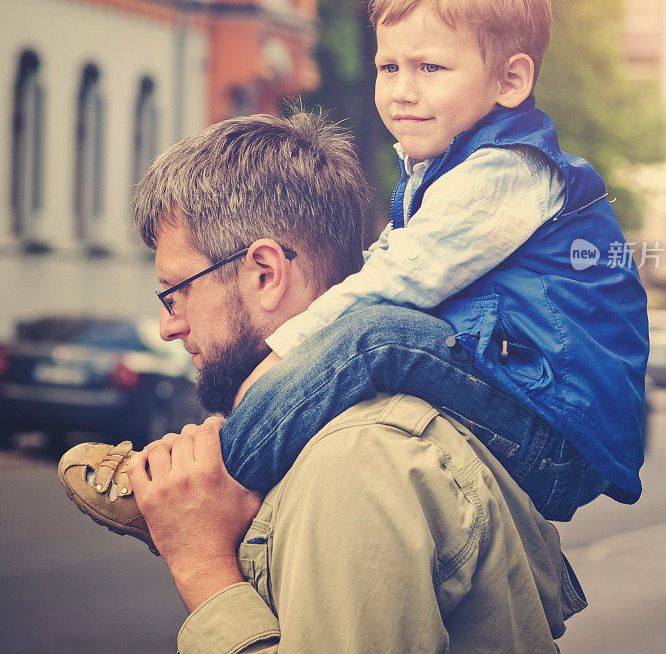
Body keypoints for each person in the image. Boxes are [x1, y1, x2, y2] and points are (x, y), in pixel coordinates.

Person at [62, 0, 648, 531]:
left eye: (431, 68)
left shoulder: (508, 172)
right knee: (354, 346)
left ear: (511, 80)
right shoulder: (449, 170)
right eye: (389, 67)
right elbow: (386, 263)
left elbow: (398, 283)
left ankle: (208, 488)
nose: (402, 90)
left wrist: (282, 353)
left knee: (373, 337)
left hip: (555, 438)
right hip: (525, 398)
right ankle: (225, 449)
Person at [60, 112, 587, 653]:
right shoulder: (332, 438)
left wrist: (201, 563)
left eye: (177, 291)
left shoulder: (355, 460)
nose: (170, 324)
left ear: (265, 274)